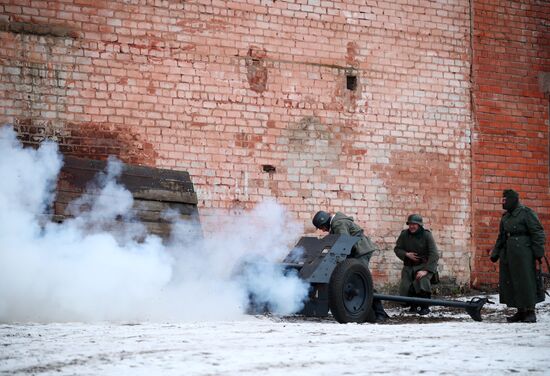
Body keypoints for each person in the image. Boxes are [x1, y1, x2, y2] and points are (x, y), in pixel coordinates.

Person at [312, 210, 389, 322]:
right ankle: (371, 313)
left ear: (325, 222)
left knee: (362, 281)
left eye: (322, 227)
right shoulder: (336, 223)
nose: (323, 230)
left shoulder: (338, 224)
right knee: (356, 280)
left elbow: (344, 243)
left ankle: (380, 313)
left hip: (361, 250)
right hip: (356, 251)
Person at [490, 189, 546, 323]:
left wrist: (538, 253)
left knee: (526, 281)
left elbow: (537, 233)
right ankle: (520, 311)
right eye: (502, 200)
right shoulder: (506, 216)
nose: (502, 203)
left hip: (524, 254)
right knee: (512, 282)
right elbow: (502, 236)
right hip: (509, 253)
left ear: (512, 200)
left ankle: (530, 311)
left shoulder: (526, 213)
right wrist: (496, 253)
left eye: (505, 200)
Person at [394, 214, 439, 315]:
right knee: (406, 285)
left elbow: (434, 254)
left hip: (424, 265)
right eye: (410, 224)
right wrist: (406, 254)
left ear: (419, 225)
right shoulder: (404, 234)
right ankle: (413, 306)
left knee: (422, 281)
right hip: (409, 266)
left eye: (414, 224)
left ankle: (425, 306)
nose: (412, 226)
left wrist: (426, 270)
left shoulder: (427, 235)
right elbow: (397, 249)